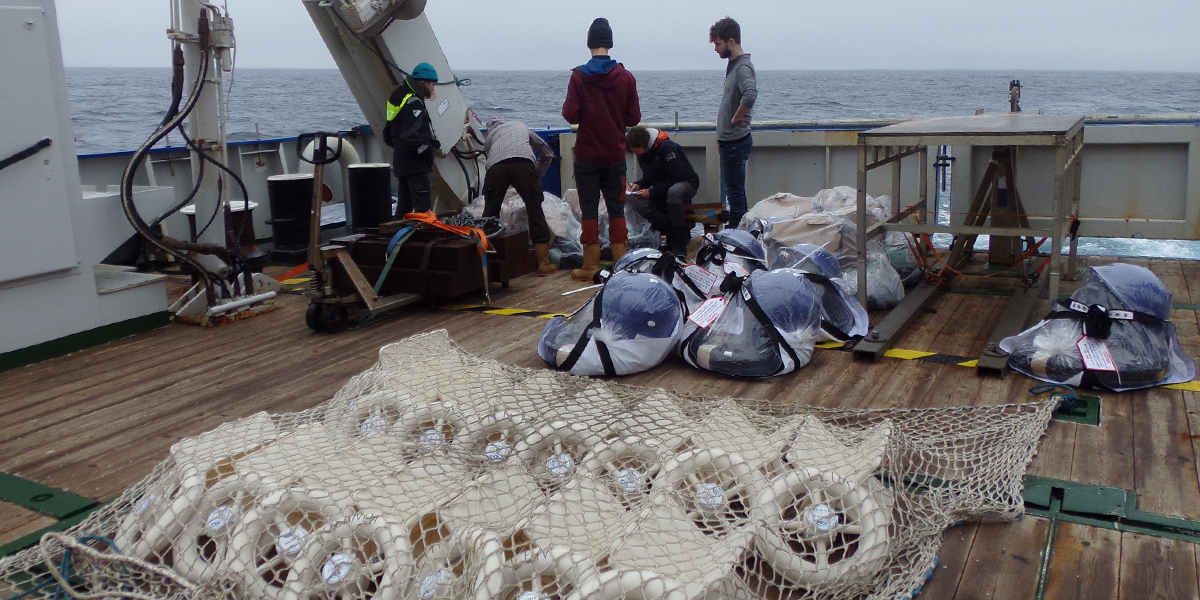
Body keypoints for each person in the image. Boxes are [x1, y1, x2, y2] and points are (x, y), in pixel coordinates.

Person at [562, 17, 641, 281]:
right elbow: (633, 119)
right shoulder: (626, 77)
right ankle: (621, 266)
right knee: (617, 211)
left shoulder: (578, 76)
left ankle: (589, 267)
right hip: (615, 156)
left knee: (588, 210)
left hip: (587, 157)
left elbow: (570, 114)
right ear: (609, 43)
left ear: (589, 43)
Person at [482, 117, 558, 276]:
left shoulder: (490, 137)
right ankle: (544, 264)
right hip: (524, 164)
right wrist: (536, 173)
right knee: (535, 211)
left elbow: (490, 159)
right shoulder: (521, 126)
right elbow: (547, 153)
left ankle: (487, 264)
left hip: (496, 168)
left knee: (490, 214)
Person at [709, 16, 757, 229]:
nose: (716, 49)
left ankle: (736, 238)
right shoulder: (734, 65)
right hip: (730, 142)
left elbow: (750, 95)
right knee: (735, 193)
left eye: (718, 44)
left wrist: (737, 117)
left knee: (736, 196)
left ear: (731, 41)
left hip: (735, 143)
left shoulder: (742, 67)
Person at [625, 126, 699, 255]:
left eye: (637, 151)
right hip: (663, 187)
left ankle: (679, 243)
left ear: (644, 145)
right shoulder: (643, 154)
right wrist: (638, 184)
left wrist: (652, 192)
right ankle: (670, 231)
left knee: (674, 192)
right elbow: (650, 177)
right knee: (640, 205)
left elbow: (676, 177)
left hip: (685, 182)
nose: (637, 155)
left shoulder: (667, 148)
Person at [383, 62, 441, 218]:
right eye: (433, 84)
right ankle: (421, 239)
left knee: (403, 209)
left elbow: (387, 134)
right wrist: (426, 149)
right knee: (423, 211)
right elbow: (410, 136)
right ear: (424, 82)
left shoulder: (399, 97)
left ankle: (397, 237)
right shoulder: (415, 102)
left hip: (401, 163)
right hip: (415, 166)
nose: (433, 89)